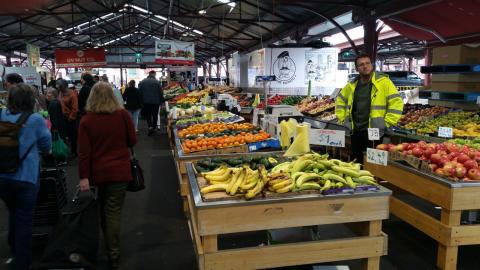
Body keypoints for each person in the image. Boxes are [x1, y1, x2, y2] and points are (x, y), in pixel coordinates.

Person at [78, 82, 137, 270]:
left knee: (101, 210)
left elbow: (83, 153)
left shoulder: (86, 121)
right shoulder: (123, 115)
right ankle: (114, 255)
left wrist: (83, 177)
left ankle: (105, 246)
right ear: (112, 96)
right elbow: (132, 141)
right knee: (113, 212)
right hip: (120, 171)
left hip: (97, 173)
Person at [0, 83, 51, 270]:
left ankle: (14, 249)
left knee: (13, 212)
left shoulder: (1, 115)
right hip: (26, 178)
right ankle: (22, 263)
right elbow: (46, 146)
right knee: (24, 220)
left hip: (3, 177)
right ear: (31, 100)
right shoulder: (35, 119)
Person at [335, 53, 403, 164]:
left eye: (367, 63)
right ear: (357, 68)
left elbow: (397, 103)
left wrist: (387, 122)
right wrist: (343, 119)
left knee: (374, 163)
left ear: (372, 65)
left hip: (375, 131)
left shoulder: (384, 82)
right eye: (361, 64)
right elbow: (340, 100)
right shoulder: (352, 85)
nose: (365, 66)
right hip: (356, 130)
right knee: (357, 160)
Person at [56, 79, 79, 156]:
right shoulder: (60, 93)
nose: (57, 87)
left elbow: (75, 108)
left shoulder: (72, 94)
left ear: (64, 86)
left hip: (70, 119)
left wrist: (70, 118)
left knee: (72, 136)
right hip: (62, 118)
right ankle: (65, 151)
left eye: (59, 86)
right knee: (63, 136)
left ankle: (74, 152)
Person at [138, 70, 162, 136]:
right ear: (154, 74)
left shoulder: (143, 82)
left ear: (149, 74)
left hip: (146, 102)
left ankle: (150, 127)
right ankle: (154, 128)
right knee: (155, 115)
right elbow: (160, 92)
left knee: (148, 115)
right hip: (156, 102)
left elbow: (139, 92)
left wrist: (141, 102)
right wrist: (161, 101)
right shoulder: (157, 82)